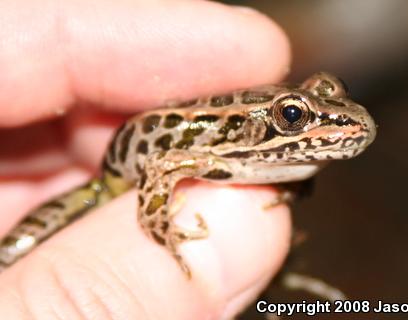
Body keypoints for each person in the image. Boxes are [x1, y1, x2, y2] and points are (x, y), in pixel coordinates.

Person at [0, 0, 292, 318]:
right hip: (105, 187)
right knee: (10, 253)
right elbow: (160, 164)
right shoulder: (217, 151)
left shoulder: (270, 158)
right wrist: (160, 228)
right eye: (292, 114)